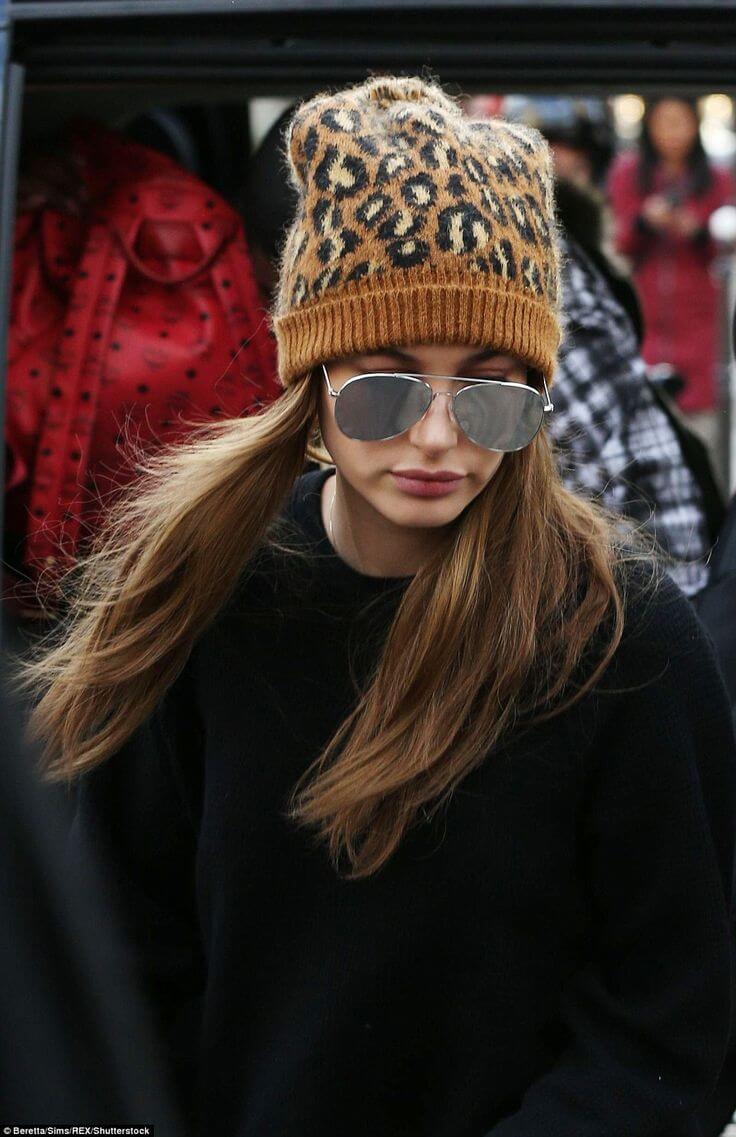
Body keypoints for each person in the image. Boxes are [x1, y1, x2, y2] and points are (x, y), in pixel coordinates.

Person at [9, 75, 736, 1137]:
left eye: (491, 395)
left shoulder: (618, 635)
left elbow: (673, 1022)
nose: (437, 439)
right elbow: (126, 972)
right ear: (311, 379)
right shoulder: (202, 593)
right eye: (385, 388)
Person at [607, 97, 735, 452]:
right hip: (644, 319)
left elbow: (724, 249)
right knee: (645, 432)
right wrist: (646, 221)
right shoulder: (628, 174)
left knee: (702, 433)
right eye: (665, 122)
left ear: (696, 125)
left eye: (681, 122)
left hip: (700, 326)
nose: (673, 133)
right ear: (649, 126)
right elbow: (619, 244)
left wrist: (696, 231)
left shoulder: (717, 179)